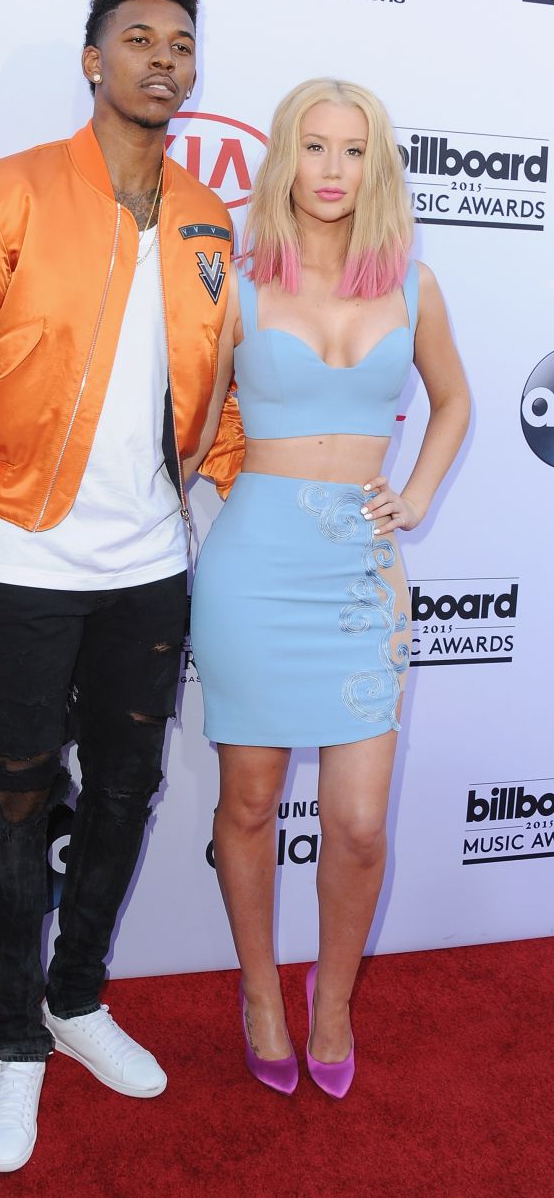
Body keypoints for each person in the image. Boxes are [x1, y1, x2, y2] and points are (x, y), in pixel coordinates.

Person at [0, 0, 233, 1173]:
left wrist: (234, 504)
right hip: (16, 564)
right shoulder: (6, 196)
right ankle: (15, 1045)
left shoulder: (205, 220)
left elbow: (213, 393)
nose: (161, 60)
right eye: (136, 38)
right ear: (94, 60)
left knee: (129, 793)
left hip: (148, 568)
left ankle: (78, 998)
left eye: (180, 44)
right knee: (18, 801)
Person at [189, 79, 470, 1098]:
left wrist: (417, 494)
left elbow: (453, 400)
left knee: (356, 822)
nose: (333, 171)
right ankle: (261, 990)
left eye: (354, 151)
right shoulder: (235, 277)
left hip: (360, 572)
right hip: (254, 565)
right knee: (251, 801)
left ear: (377, 164)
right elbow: (183, 411)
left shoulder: (413, 284)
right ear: (283, 155)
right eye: (314, 147)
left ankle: (334, 998)